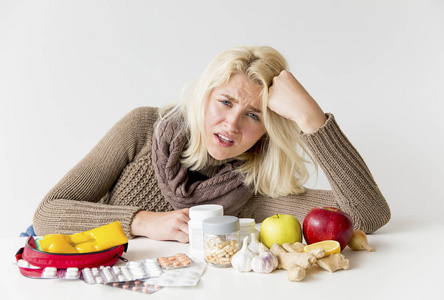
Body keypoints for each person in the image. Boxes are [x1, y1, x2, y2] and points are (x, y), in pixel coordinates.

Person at [33, 46, 390, 243]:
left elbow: (368, 216)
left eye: (254, 115)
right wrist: (142, 222)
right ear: (203, 98)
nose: (232, 123)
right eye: (225, 102)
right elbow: (47, 214)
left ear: (267, 130)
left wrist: (312, 119)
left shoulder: (254, 189)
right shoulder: (144, 128)